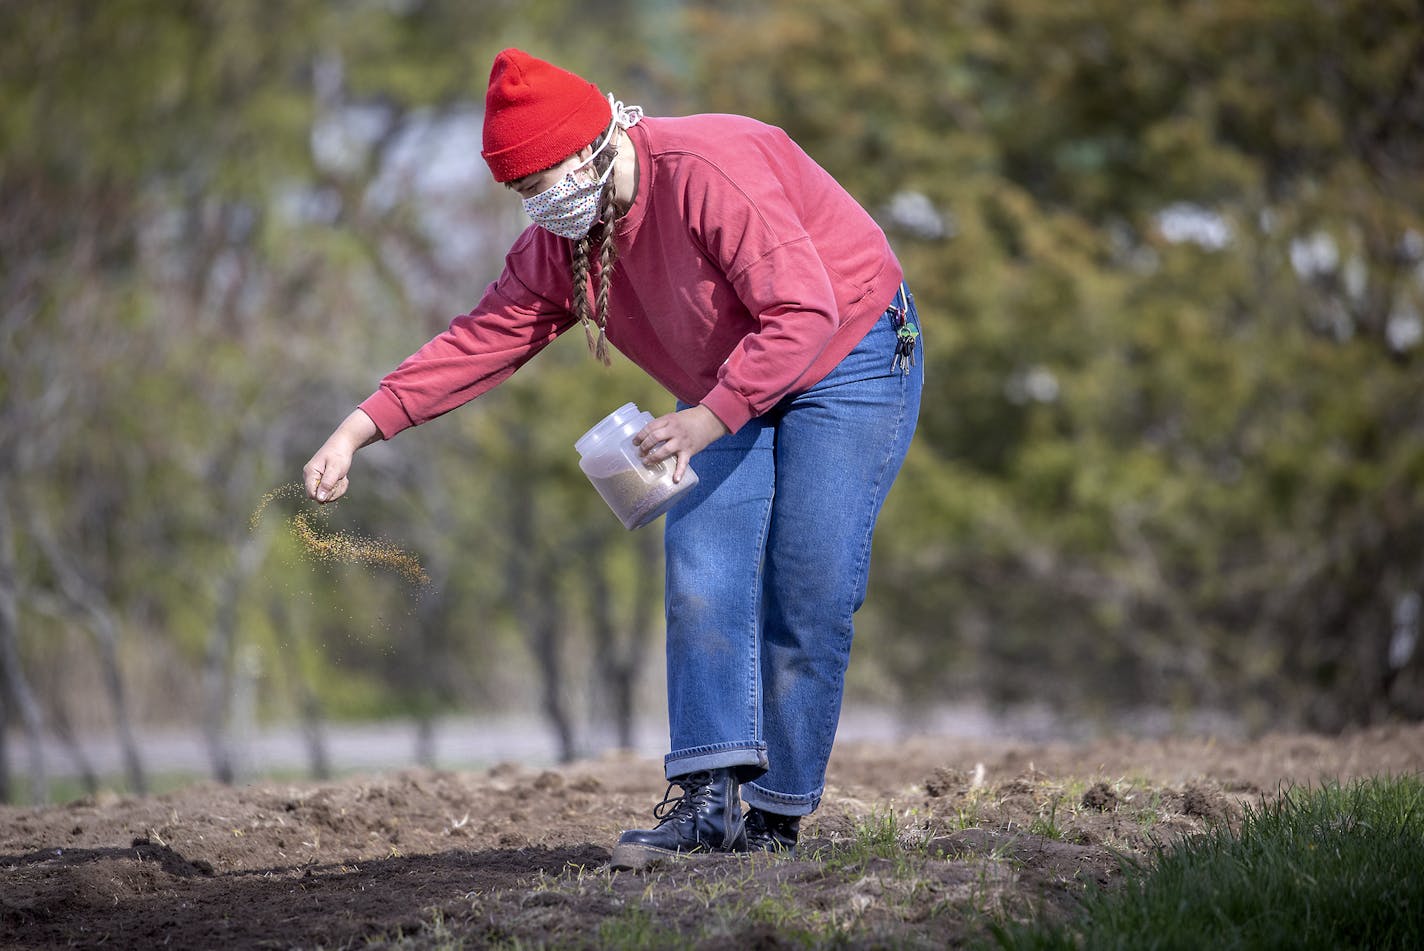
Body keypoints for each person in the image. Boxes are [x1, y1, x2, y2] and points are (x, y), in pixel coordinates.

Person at [303, 48, 923, 870]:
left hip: (849, 352)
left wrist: (709, 419)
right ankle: (708, 802)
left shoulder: (708, 168)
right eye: (520, 191)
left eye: (541, 180)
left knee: (808, 583)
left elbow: (804, 309)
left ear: (596, 143)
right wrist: (357, 427)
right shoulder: (567, 243)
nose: (536, 202)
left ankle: (775, 820)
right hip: (723, 384)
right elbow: (482, 338)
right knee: (702, 569)